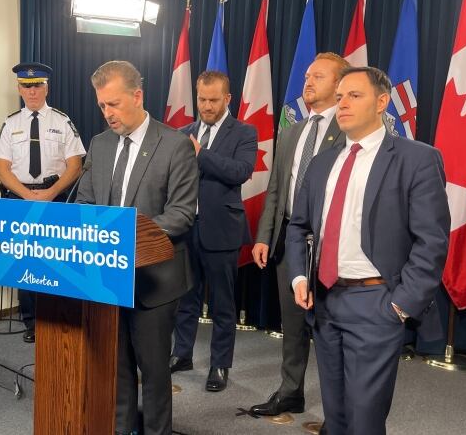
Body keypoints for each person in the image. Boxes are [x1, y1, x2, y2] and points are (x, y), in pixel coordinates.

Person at [286, 66, 449, 434]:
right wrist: (299, 275)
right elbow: (299, 227)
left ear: (382, 102)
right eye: (340, 96)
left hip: (377, 302)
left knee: (364, 418)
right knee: (336, 415)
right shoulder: (323, 162)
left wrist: (400, 304)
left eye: (354, 96)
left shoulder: (416, 159)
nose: (342, 103)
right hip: (325, 301)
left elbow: (432, 241)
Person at [76, 60, 198, 435]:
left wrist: (123, 236)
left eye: (113, 104)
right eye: (101, 106)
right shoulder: (98, 143)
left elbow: (181, 214)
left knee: (155, 372)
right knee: (117, 369)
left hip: (155, 282)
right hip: (107, 281)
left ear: (137, 95)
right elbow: (84, 203)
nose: (107, 113)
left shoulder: (175, 144)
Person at [250, 52, 349, 416]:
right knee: (292, 327)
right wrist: (264, 235)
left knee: (330, 332)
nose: (308, 82)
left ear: (340, 85)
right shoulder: (292, 130)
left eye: (318, 76)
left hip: (330, 247)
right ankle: (291, 391)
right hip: (289, 244)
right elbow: (277, 188)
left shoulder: (349, 130)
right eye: (307, 75)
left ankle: (338, 412)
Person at [170, 70, 257, 392]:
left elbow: (240, 172)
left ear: (227, 99)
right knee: (186, 299)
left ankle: (220, 365)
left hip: (221, 231)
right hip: (185, 229)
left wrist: (200, 154)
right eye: (202, 99)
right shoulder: (184, 131)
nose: (206, 106)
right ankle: (182, 354)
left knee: (222, 304)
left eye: (213, 100)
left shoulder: (244, 132)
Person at [0, 62, 86, 343]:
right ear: (19, 88)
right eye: (26, 86)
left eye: (37, 86)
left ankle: (55, 319)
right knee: (25, 263)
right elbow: (1, 169)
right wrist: (25, 193)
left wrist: (50, 192)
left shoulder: (62, 121)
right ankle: (31, 321)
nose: (32, 92)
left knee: (55, 263)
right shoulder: (10, 124)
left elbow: (75, 165)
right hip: (19, 199)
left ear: (47, 87)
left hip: (54, 197)